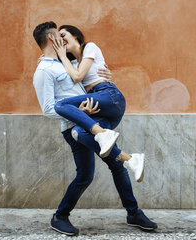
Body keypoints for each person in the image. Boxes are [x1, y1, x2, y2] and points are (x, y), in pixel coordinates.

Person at [32, 21, 157, 236]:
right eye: (59, 37)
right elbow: (48, 108)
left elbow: (87, 78)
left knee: (113, 167)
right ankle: (60, 217)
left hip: (90, 122)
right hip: (74, 129)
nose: (63, 40)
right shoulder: (43, 70)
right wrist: (80, 111)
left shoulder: (66, 62)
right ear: (52, 39)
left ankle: (133, 213)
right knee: (85, 176)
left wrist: (105, 77)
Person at [51, 25, 145, 182]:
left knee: (60, 105)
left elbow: (78, 77)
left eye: (63, 35)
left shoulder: (90, 47)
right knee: (78, 133)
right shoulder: (72, 64)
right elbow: (67, 72)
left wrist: (62, 56)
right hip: (99, 108)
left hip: (109, 96)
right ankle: (130, 159)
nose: (60, 40)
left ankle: (102, 134)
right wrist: (50, 58)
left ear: (75, 36)